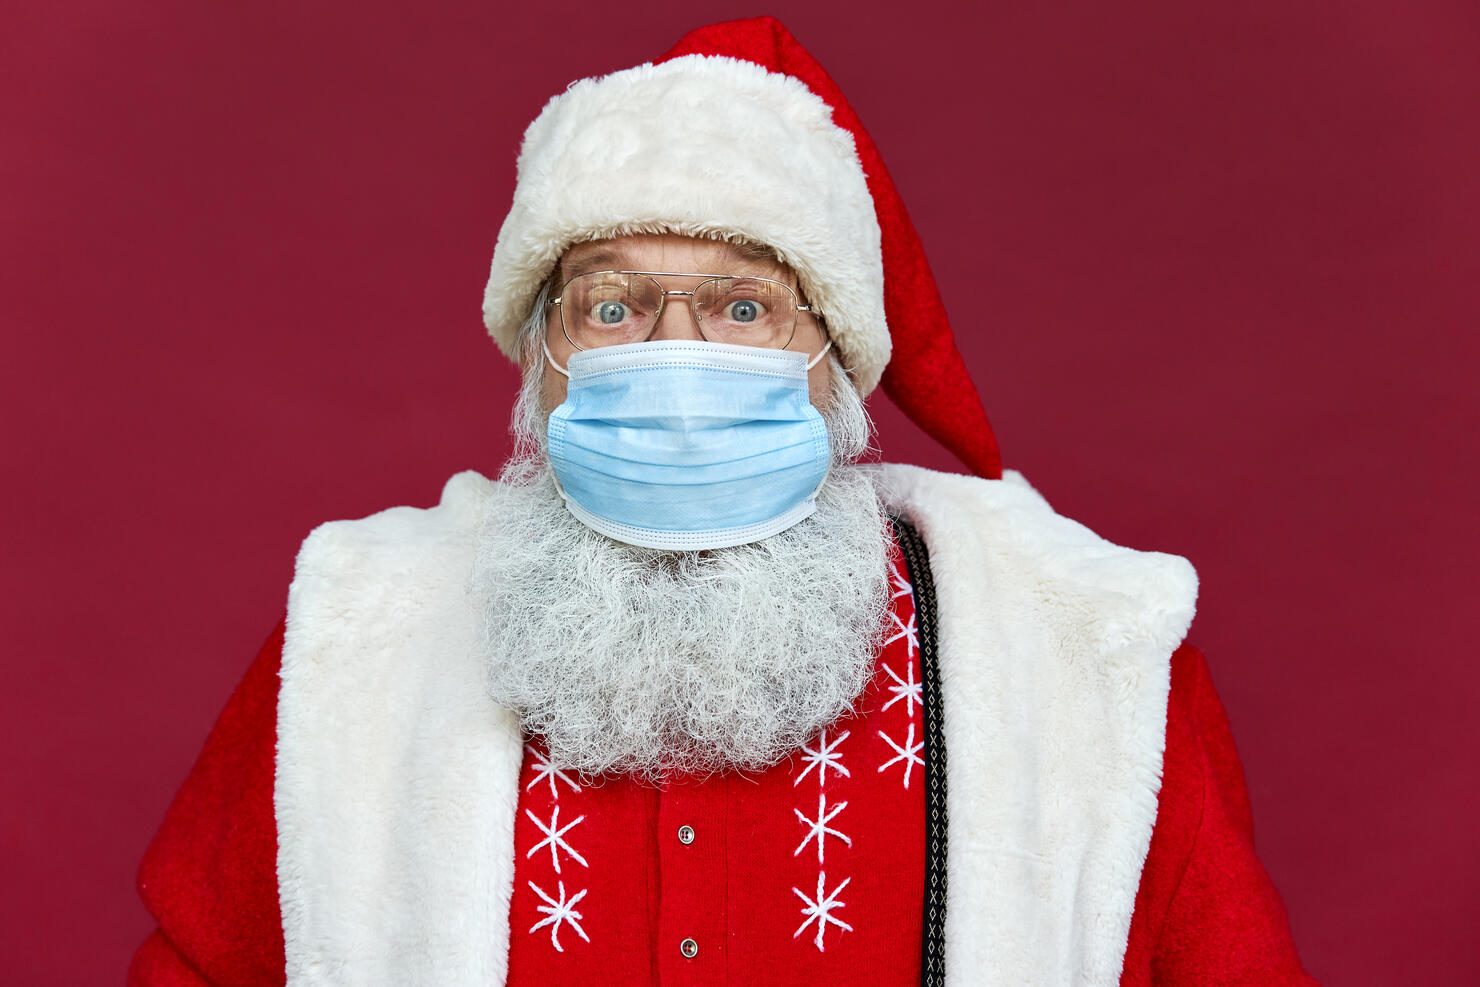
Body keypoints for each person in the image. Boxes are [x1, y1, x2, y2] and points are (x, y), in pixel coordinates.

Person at [129, 16, 1318, 986]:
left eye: (743, 307)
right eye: (611, 305)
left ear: (838, 357)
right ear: (538, 355)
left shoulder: (1079, 648)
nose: (675, 353)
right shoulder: (359, 635)